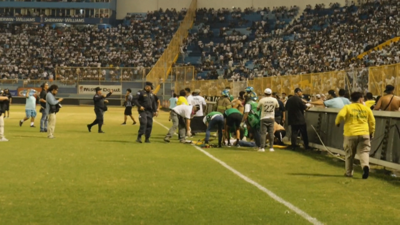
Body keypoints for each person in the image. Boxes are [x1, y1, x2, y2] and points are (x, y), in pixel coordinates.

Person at [335, 92, 375, 179]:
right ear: (360, 99)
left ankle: (349, 173)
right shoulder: (366, 109)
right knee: (364, 152)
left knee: (349, 154)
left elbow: (341, 115)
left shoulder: (347, 107)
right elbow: (372, 122)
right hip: (364, 133)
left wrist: (337, 122)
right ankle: (365, 166)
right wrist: (371, 132)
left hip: (350, 133)